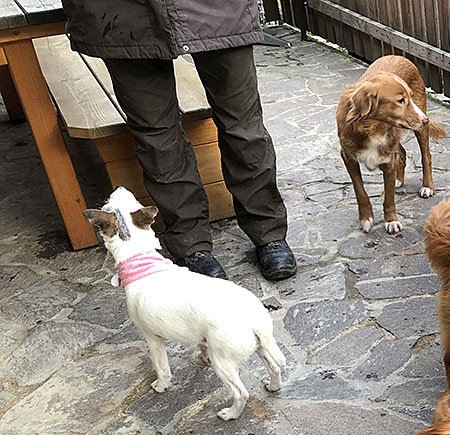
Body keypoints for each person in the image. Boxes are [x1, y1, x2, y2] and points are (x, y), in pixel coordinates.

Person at [62, 0, 298, 281]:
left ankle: (268, 232)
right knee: (156, 136)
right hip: (119, 14)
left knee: (244, 126)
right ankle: (190, 244)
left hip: (219, 9)